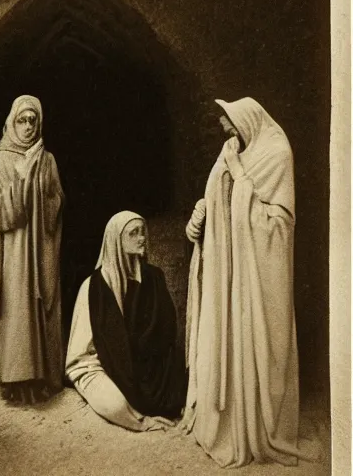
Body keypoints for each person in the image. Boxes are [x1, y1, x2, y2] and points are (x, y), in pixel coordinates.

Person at [182, 97, 307, 467]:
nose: (229, 137)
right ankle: (228, 417)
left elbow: (278, 224)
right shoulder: (234, 150)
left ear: (247, 122)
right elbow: (218, 195)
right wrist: (202, 214)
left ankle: (257, 427)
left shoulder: (276, 153)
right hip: (229, 278)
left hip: (259, 278)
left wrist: (238, 176)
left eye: (233, 129)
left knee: (262, 345)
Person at [66, 211, 185, 431]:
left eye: (143, 232)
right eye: (133, 233)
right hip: (115, 370)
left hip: (153, 372)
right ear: (116, 240)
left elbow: (167, 333)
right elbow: (81, 356)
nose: (142, 238)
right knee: (115, 404)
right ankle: (139, 420)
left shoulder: (155, 277)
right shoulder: (93, 288)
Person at [0, 95, 64, 403]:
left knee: (40, 305)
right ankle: (15, 383)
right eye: (22, 120)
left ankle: (41, 380)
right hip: (13, 254)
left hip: (40, 248)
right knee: (16, 310)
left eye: (33, 120)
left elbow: (58, 200)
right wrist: (20, 178)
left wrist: (44, 197)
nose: (28, 126)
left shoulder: (48, 159)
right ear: (12, 122)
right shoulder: (0, 160)